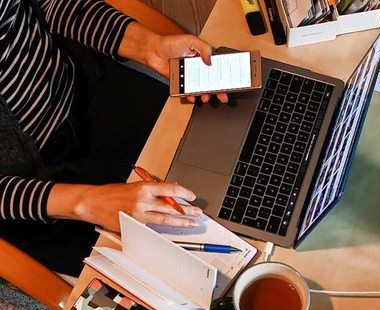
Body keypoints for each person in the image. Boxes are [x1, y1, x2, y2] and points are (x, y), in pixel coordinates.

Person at [0, 0, 222, 275]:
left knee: (226, 157)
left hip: (84, 88)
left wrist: (148, 46)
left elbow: (48, 4)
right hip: (31, 193)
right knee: (180, 273)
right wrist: (85, 203)